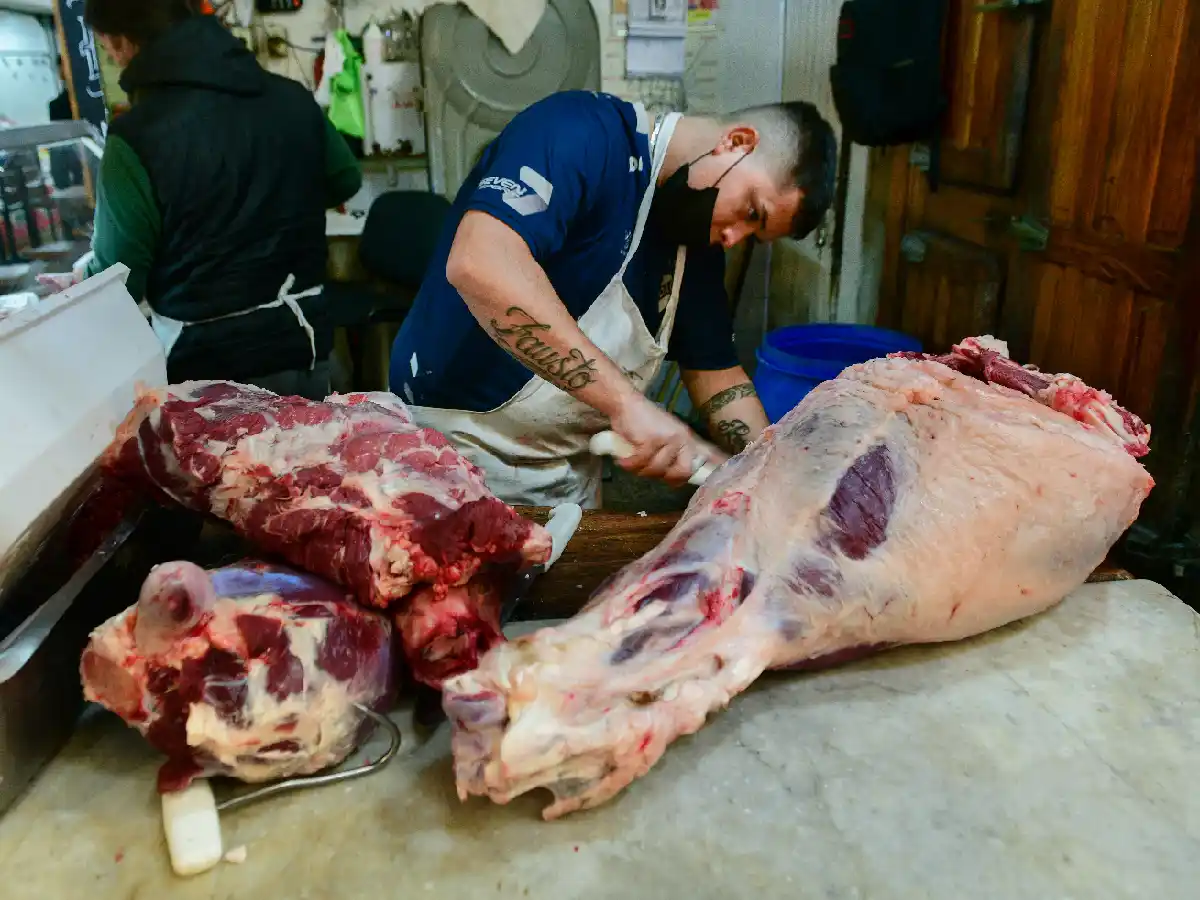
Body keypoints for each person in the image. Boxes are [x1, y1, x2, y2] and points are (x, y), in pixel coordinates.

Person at [388, 90, 837, 508]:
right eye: (752, 211)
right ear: (736, 142)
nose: (734, 237)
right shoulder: (579, 131)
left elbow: (715, 374)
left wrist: (770, 472)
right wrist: (627, 405)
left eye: (753, 234)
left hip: (568, 479)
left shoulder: (697, 243)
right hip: (453, 452)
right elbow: (480, 262)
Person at [81, 0, 362, 399]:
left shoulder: (136, 137)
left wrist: (79, 281)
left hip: (206, 368)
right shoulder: (292, 98)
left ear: (123, 43)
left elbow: (119, 277)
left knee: (231, 445)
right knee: (316, 438)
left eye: (107, 47)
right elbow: (345, 180)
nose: (113, 57)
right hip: (301, 342)